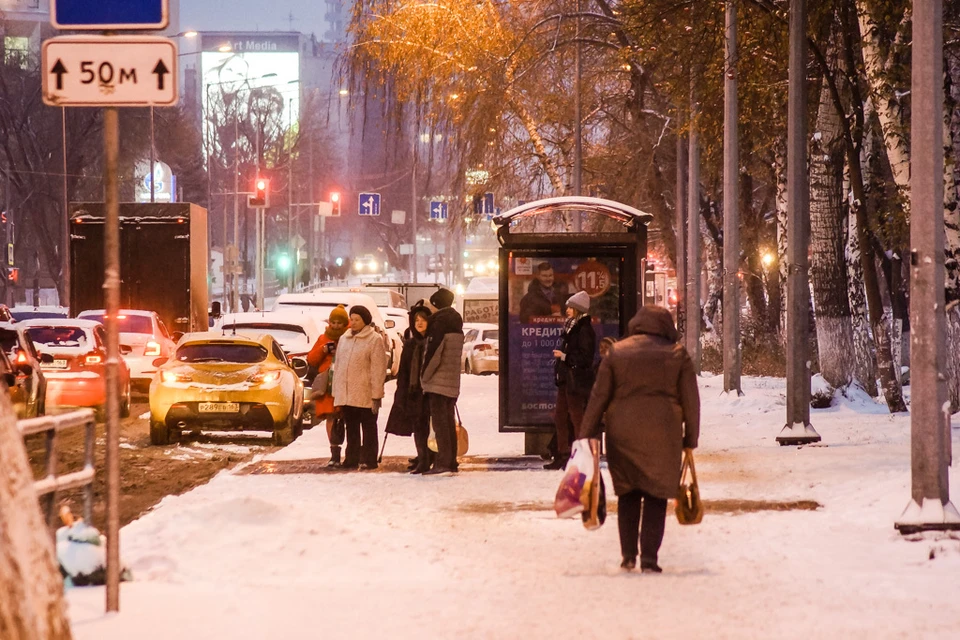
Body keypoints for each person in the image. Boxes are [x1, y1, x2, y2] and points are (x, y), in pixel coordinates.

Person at [580, 305, 700, 574]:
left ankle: (628, 556)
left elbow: (599, 396)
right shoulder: (677, 355)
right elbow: (691, 401)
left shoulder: (617, 352)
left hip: (621, 434)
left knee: (628, 492)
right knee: (657, 495)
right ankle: (649, 558)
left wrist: (585, 434)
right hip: (664, 434)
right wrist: (690, 438)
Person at [331, 305, 387, 470]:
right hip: (348, 394)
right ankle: (351, 459)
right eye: (352, 319)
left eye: (357, 320)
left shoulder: (374, 339)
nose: (353, 323)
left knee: (369, 427)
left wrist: (377, 394)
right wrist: (337, 391)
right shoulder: (344, 338)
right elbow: (339, 366)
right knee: (351, 428)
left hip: (366, 393)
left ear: (365, 321)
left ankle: (370, 459)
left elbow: (378, 369)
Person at [546, 291, 596, 470]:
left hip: (575, 381)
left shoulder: (583, 330)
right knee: (560, 417)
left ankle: (581, 454)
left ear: (578, 310)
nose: (567, 310)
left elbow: (585, 357)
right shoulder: (571, 327)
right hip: (566, 380)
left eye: (570, 307)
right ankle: (563, 454)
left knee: (576, 417)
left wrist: (565, 356)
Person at [385, 301, 434, 474]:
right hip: (414, 392)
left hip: (429, 391)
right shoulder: (411, 345)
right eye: (416, 320)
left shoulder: (433, 343)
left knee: (430, 428)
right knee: (418, 426)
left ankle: (429, 457)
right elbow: (404, 373)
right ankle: (423, 458)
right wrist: (401, 393)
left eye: (423, 319)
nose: (419, 323)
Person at [420, 288, 464, 475]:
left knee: (440, 424)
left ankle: (443, 462)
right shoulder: (455, 322)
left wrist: (424, 376)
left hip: (438, 381)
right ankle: (451, 461)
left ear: (437, 304)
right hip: (451, 381)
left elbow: (434, 354)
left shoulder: (438, 324)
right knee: (448, 421)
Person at [307, 305, 349, 466]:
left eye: (340, 323)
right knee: (331, 417)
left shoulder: (350, 337)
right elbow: (312, 359)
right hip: (327, 385)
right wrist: (323, 350)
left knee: (346, 416)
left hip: (344, 382)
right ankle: (335, 453)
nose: (336, 326)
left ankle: (350, 452)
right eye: (334, 322)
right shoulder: (323, 338)